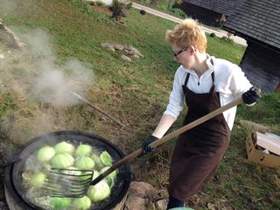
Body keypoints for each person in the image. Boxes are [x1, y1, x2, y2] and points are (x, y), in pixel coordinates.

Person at [142, 19, 260, 210]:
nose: (175, 58)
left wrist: (251, 97)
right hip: (189, 134)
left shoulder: (227, 71)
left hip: (214, 140)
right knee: (176, 179)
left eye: (176, 53)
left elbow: (249, 98)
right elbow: (173, 107)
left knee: (181, 190)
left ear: (191, 49)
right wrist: (155, 136)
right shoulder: (182, 74)